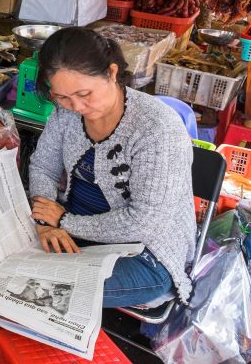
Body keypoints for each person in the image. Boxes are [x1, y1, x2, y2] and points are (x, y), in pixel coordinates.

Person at [27, 27, 196, 308]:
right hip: (73, 228)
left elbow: (144, 222)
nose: (76, 106)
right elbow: (44, 166)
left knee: (47, 292)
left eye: (85, 94)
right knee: (19, 274)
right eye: (62, 97)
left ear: (112, 72)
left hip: (146, 251)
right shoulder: (66, 114)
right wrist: (45, 223)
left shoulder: (157, 129)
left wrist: (65, 221)